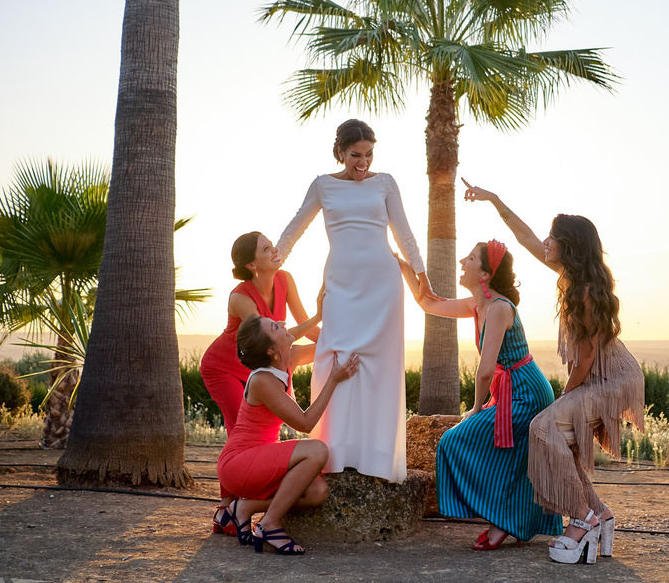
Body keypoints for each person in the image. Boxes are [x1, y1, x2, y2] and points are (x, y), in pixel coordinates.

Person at [463, 180, 644, 564]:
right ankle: (600, 515)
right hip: (600, 377)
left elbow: (586, 358)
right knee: (561, 437)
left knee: (544, 428)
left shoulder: (587, 291)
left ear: (569, 246)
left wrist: (566, 394)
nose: (545, 241)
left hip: (613, 380)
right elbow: (525, 235)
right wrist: (494, 200)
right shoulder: (569, 276)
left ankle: (581, 521)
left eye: (553, 237)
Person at [275, 118, 433, 483]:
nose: (362, 163)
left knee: (379, 366)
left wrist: (423, 278)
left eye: (368, 154)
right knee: (336, 355)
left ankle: (376, 457)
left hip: (383, 284)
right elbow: (297, 224)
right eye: (354, 155)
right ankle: (336, 449)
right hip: (341, 285)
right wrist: (277, 255)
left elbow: (404, 233)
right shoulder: (322, 186)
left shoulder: (386, 183)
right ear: (340, 152)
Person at [399, 240, 562, 550]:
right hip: (510, 390)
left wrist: (475, 409)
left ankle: (502, 521)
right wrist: (403, 265)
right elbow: (428, 304)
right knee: (506, 457)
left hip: (526, 392)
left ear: (485, 275)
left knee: (455, 440)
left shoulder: (499, 308)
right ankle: (503, 521)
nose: (462, 261)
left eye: (471, 258)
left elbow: (486, 370)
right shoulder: (477, 304)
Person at [201, 231, 321, 535]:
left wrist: (334, 345)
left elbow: (300, 330)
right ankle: (225, 511)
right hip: (223, 368)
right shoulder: (240, 296)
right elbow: (267, 336)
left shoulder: (285, 280)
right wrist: (320, 316)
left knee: (262, 438)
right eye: (267, 249)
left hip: (259, 368)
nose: (276, 250)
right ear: (253, 265)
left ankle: (244, 506)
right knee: (237, 434)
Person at [218, 314, 360, 555]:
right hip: (238, 464)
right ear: (272, 349)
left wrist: (321, 314)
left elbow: (330, 348)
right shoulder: (263, 380)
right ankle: (269, 523)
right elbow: (305, 423)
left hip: (259, 460)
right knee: (317, 450)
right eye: (275, 326)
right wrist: (333, 380)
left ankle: (245, 507)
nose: (283, 324)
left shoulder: (288, 358)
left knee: (317, 492)